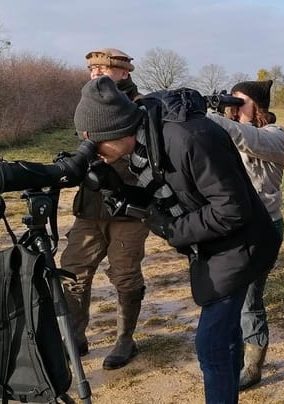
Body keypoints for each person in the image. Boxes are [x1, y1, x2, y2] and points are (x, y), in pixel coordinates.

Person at [73, 76, 280, 404]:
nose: (95, 154)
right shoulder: (147, 141)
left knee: (210, 344)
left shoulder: (188, 138)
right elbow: (163, 193)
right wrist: (118, 188)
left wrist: (174, 232)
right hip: (214, 245)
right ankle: (229, 385)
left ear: (116, 130)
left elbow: (232, 209)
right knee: (223, 338)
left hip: (242, 245)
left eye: (96, 144)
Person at [60, 48, 149, 370]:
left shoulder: (141, 107)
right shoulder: (88, 102)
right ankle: (75, 334)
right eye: (92, 68)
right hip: (90, 205)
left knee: (124, 275)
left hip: (128, 208)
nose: (96, 74)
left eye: (104, 69)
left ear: (124, 73)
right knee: (73, 271)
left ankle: (126, 338)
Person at [206, 79, 284, 390]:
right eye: (232, 101)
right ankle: (233, 354)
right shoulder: (226, 129)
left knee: (249, 298)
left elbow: (245, 137)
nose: (234, 106)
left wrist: (211, 117)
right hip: (232, 225)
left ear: (259, 105)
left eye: (241, 101)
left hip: (263, 227)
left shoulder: (276, 136)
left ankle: (252, 366)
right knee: (228, 296)